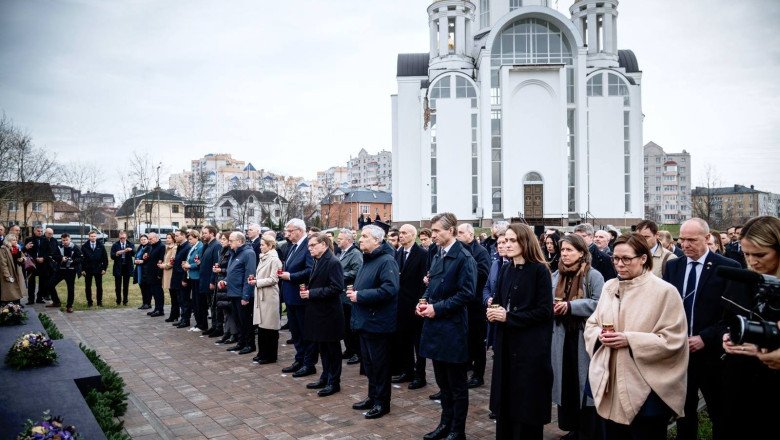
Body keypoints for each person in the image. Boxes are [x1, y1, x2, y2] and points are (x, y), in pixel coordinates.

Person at [584, 233, 688, 439]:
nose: (619, 264)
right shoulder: (609, 286)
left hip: (647, 388)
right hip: (610, 381)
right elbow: (592, 323)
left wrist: (629, 340)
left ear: (643, 258)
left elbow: (673, 339)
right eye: (615, 258)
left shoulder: (665, 292)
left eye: (626, 259)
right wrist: (600, 335)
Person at [662, 218, 740, 440]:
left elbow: (733, 316)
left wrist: (706, 337)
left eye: (691, 240)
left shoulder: (727, 268)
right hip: (679, 352)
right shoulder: (674, 266)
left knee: (719, 413)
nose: (685, 245)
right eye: (681, 239)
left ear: (707, 239)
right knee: (683, 412)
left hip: (712, 354)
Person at [486, 223, 552, 440]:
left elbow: (544, 312)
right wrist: (493, 310)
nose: (507, 244)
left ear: (525, 241)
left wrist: (509, 317)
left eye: (513, 240)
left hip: (530, 349)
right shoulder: (507, 268)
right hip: (506, 345)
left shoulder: (540, 270)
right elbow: (500, 300)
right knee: (506, 403)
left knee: (526, 406)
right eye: (505, 240)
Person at [719, 215, 780, 438]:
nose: (752, 261)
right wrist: (727, 336)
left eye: (761, 254)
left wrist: (768, 350)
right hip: (739, 381)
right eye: (746, 254)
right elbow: (726, 320)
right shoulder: (742, 280)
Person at [416, 213, 475, 440]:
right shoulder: (437, 254)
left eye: (437, 231)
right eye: (432, 232)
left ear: (451, 230)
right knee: (442, 383)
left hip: (452, 328)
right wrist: (422, 301)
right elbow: (432, 285)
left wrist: (437, 308)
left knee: (457, 385)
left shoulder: (464, 257)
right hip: (435, 327)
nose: (434, 235)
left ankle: (457, 430)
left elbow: (466, 293)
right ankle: (445, 424)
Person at [551, 234, 604, 440]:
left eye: (569, 250)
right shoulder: (556, 275)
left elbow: (600, 303)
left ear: (582, 252)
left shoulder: (593, 276)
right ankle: (573, 427)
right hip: (561, 338)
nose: (564, 254)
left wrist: (572, 306)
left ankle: (587, 431)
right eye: (562, 250)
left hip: (583, 338)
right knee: (567, 384)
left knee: (584, 385)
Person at [347, 224, 399, 420]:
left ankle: (382, 403)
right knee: (369, 365)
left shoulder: (386, 261)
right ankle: (372, 396)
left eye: (365, 237)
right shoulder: (367, 260)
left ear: (377, 241)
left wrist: (360, 295)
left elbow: (389, 289)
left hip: (378, 323)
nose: (360, 240)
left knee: (380, 366)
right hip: (365, 322)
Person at [300, 232, 344, 396]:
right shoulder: (318, 261)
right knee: (323, 348)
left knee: (332, 350)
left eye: (313, 245)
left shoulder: (332, 262)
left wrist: (312, 293)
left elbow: (337, 287)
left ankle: (334, 382)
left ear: (324, 245)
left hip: (329, 315)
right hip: (319, 314)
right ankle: (325, 377)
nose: (309, 248)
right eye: (309, 245)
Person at [391, 224, 429, 389]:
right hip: (400, 305)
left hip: (415, 304)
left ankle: (420, 376)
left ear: (413, 235)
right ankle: (407, 371)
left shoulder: (422, 254)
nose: (401, 235)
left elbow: (425, 282)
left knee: (417, 342)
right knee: (402, 340)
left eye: (404, 233)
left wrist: (420, 303)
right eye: (400, 233)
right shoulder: (398, 253)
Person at [279, 218, 316, 377]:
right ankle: (299, 358)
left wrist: (291, 276)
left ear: (300, 231)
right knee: (295, 332)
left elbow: (310, 270)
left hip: (301, 297)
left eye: (290, 231)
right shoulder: (293, 247)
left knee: (304, 331)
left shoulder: (307, 246)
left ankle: (309, 363)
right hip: (290, 296)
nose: (287, 234)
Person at [456, 223, 491, 389]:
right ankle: (467, 365)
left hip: (476, 303)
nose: (458, 235)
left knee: (477, 341)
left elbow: (483, 273)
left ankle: (478, 374)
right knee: (466, 338)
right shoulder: (459, 251)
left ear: (471, 234)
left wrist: (465, 272)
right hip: (463, 303)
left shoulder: (480, 252)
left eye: (461, 232)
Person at [248, 233, 282, 364]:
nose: (260, 247)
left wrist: (257, 282)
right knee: (262, 326)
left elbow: (274, 279)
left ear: (270, 245)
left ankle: (270, 355)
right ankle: (262, 352)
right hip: (261, 295)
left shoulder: (274, 259)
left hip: (269, 296)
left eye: (262, 245)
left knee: (270, 327)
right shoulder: (263, 257)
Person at [222, 232, 257, 355]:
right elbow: (232, 272)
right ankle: (241, 342)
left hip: (242, 294)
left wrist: (246, 295)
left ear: (240, 241)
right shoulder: (233, 253)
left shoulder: (248, 253)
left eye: (231, 240)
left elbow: (249, 275)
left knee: (245, 321)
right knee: (237, 320)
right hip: (233, 292)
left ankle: (250, 344)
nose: (229, 242)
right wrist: (225, 281)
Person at [337, 228, 363, 365]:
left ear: (348, 240)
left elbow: (358, 271)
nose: (337, 240)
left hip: (349, 295)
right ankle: (349, 349)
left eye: (340, 239)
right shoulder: (342, 253)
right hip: (342, 295)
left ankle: (357, 352)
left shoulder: (355, 254)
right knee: (345, 326)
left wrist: (341, 275)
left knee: (351, 326)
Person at [198, 226, 221, 334]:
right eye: (202, 233)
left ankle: (217, 327)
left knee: (214, 304)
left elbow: (216, 264)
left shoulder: (216, 246)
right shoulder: (206, 245)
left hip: (210, 280)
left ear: (212, 233)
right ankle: (213, 326)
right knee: (211, 304)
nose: (203, 235)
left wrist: (212, 281)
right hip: (204, 279)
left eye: (205, 233)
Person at [50, 233, 82, 313]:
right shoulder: (58, 246)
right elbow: (53, 255)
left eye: (66, 240)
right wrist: (61, 258)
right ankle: (56, 302)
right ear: (61, 240)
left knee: (70, 288)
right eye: (63, 240)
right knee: (50, 285)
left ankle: (69, 306)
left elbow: (80, 258)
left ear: (70, 239)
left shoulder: (75, 247)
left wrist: (72, 261)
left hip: (71, 271)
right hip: (60, 270)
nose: (65, 242)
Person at [178, 230, 203, 329]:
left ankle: (201, 323)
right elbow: (190, 259)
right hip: (191, 276)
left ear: (196, 237)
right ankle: (198, 323)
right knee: (194, 301)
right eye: (189, 239)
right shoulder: (193, 247)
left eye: (191, 239)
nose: (189, 241)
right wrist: (185, 265)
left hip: (197, 276)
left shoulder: (200, 247)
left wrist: (190, 266)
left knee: (198, 301)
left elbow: (199, 262)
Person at [170, 229, 191, 328]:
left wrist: (184, 279)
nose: (175, 237)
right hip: (177, 277)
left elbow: (185, 264)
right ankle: (182, 318)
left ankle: (185, 320)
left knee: (184, 300)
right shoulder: (180, 246)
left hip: (182, 277)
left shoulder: (187, 247)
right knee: (180, 299)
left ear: (183, 236)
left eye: (177, 235)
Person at [81, 231, 109, 307]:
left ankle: (99, 302)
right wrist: (82, 270)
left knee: (99, 286)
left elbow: (105, 258)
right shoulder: (84, 246)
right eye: (91, 236)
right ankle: (89, 302)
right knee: (88, 286)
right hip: (88, 269)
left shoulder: (101, 245)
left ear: (96, 237)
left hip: (98, 269)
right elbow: (81, 259)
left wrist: (104, 269)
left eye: (94, 236)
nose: (93, 237)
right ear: (89, 237)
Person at [0, 233, 26, 305]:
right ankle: (7, 307)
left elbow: (23, 257)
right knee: (9, 290)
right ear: (9, 241)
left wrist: (22, 259)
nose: (16, 241)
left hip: (17, 270)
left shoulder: (17, 248)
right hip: (10, 271)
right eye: (13, 240)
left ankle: (17, 305)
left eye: (16, 240)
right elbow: (3, 264)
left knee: (18, 288)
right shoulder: (3, 249)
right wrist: (7, 275)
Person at [110, 231, 134, 305]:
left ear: (126, 237)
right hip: (118, 267)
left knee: (126, 286)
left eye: (124, 237)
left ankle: (125, 301)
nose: (122, 239)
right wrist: (117, 253)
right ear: (119, 237)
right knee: (118, 286)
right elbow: (112, 256)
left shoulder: (130, 244)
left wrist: (131, 250)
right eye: (121, 238)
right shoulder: (115, 245)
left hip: (127, 267)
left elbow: (134, 254)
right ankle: (118, 301)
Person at [145, 232, 166, 317]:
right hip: (150, 273)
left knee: (158, 292)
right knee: (153, 291)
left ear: (156, 238)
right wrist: (146, 256)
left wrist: (159, 274)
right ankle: (156, 308)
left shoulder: (161, 246)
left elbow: (161, 260)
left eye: (150, 239)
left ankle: (160, 310)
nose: (149, 241)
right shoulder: (151, 246)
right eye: (148, 239)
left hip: (157, 273)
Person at [160, 232, 179, 322]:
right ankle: (175, 314)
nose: (167, 239)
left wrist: (164, 265)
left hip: (171, 274)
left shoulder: (174, 248)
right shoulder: (167, 248)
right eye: (166, 238)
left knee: (174, 296)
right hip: (167, 273)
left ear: (173, 239)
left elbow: (172, 262)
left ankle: (174, 315)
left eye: (169, 238)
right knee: (172, 295)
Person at [133, 235, 151, 309]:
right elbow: (136, 256)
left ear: (147, 240)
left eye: (144, 239)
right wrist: (136, 261)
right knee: (142, 287)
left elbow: (150, 259)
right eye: (141, 240)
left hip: (146, 270)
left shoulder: (149, 247)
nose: (143, 241)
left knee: (147, 288)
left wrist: (142, 261)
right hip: (139, 270)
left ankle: (148, 303)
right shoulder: (140, 247)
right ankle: (144, 303)